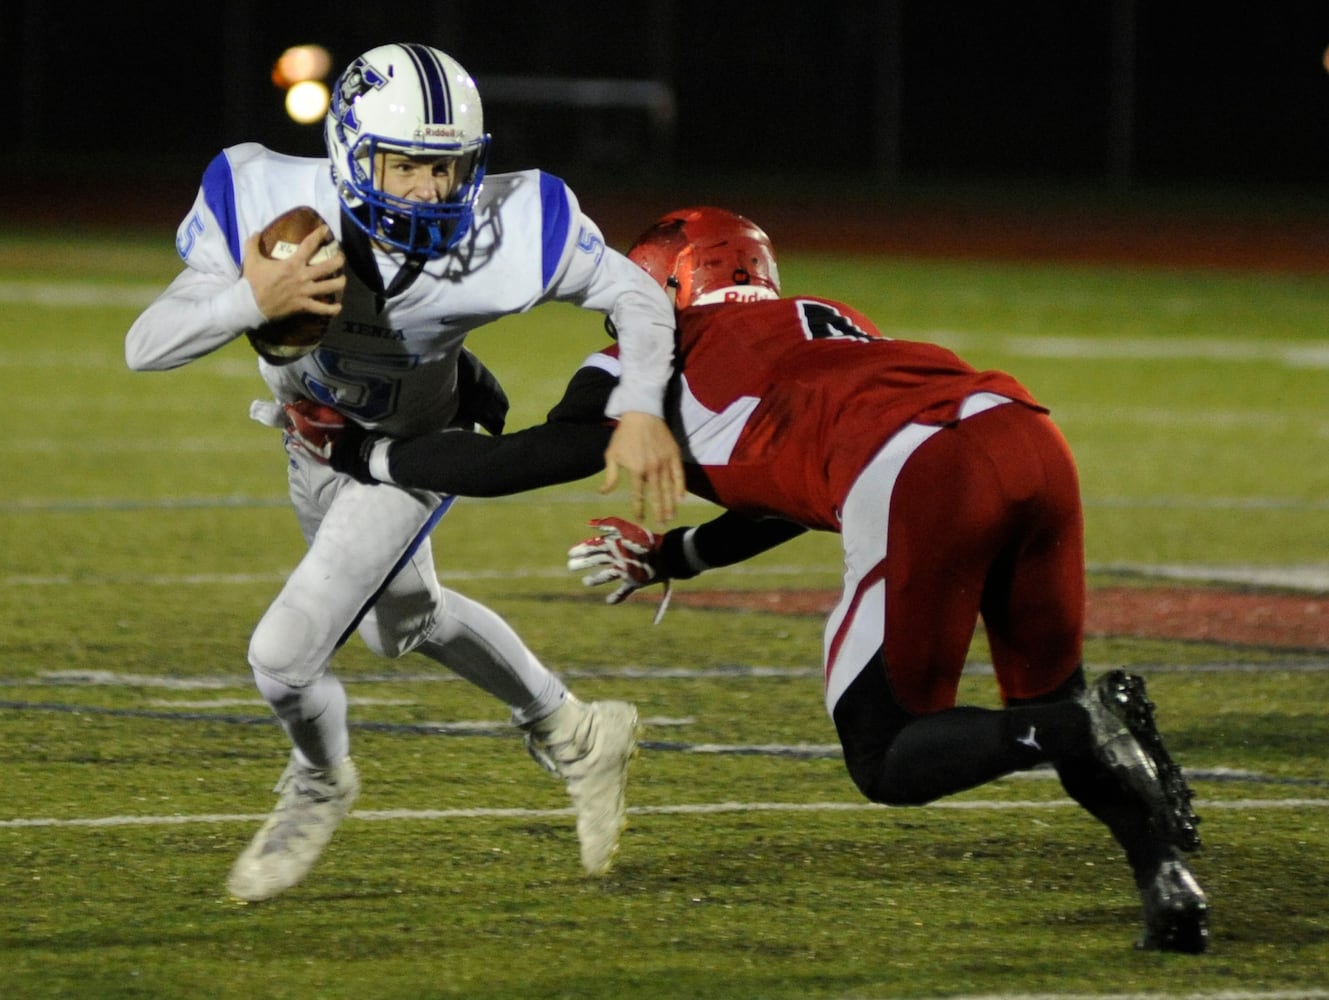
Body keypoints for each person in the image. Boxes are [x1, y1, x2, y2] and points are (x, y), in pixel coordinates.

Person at [326, 206, 1210, 953]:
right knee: (1055, 702)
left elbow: (520, 460)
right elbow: (790, 486)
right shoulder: (823, 316)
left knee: (890, 754)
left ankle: (1076, 730)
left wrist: (366, 450)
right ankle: (1166, 880)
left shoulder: (651, 353)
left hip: (919, 468)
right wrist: (675, 556)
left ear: (664, 285)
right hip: (1024, 435)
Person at [124, 42, 686, 902]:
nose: (430, 191)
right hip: (312, 439)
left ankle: (320, 781)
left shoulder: (511, 226)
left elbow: (638, 295)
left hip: (415, 446)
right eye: (406, 166)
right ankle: (575, 729)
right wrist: (253, 300)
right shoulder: (265, 196)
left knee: (281, 659)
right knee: (402, 623)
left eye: (448, 168)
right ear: (349, 153)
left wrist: (641, 405)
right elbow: (144, 347)